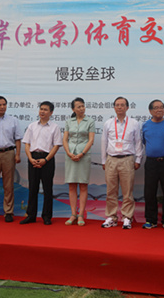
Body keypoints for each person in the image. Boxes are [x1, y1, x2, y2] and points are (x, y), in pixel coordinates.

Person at [101, 97, 143, 230]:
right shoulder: (108, 123)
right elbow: (104, 142)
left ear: (127, 107)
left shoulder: (134, 123)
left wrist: (138, 159)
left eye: (122, 105)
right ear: (114, 107)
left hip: (127, 159)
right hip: (111, 159)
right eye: (117, 105)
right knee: (110, 191)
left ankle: (127, 217)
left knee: (127, 191)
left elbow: (138, 142)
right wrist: (103, 160)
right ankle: (111, 217)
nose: (119, 107)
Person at [20, 101, 62, 225]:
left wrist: (46, 160)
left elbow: (56, 146)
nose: (42, 111)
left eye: (45, 109)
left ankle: (47, 216)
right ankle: (31, 215)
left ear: (51, 112)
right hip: (33, 158)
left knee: (47, 188)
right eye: (41, 109)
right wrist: (30, 158)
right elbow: (27, 144)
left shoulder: (54, 127)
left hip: (47, 159)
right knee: (33, 187)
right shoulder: (32, 126)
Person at [141, 99, 164, 230]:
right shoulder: (145, 126)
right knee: (150, 192)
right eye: (156, 108)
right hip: (151, 162)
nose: (159, 110)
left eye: (161, 107)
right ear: (150, 111)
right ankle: (151, 220)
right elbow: (144, 142)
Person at [62, 97, 96, 226]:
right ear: (73, 109)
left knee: (83, 185)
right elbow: (65, 139)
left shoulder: (90, 121)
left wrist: (82, 153)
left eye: (83, 106)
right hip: (70, 155)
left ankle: (81, 214)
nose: (82, 108)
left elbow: (91, 140)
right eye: (79, 106)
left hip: (84, 156)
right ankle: (73, 214)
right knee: (71, 185)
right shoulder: (68, 121)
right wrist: (69, 153)